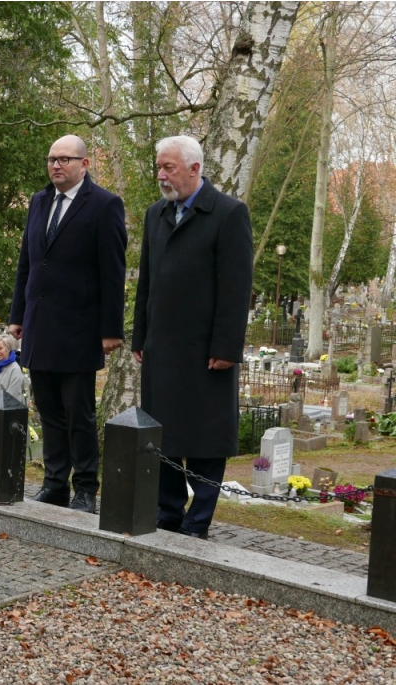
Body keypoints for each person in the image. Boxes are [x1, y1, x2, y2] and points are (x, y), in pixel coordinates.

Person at [131, 135, 253, 539]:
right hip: (162, 347)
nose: (161, 175)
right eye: (159, 167)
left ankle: (197, 519)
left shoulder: (228, 213)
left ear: (195, 168)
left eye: (169, 167)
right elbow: (146, 282)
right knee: (162, 433)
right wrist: (140, 337)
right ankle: (167, 511)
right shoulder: (156, 214)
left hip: (205, 351)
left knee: (204, 436)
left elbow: (236, 288)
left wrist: (226, 347)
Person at [8, 134, 127, 514]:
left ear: (84, 164)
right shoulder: (40, 201)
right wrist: (16, 316)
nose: (56, 166)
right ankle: (54, 483)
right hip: (40, 326)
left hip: (79, 329)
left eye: (64, 159)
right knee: (48, 412)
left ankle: (86, 489)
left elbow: (112, 272)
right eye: (51, 159)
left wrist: (111, 330)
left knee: (79, 414)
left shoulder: (105, 205)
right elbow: (27, 262)